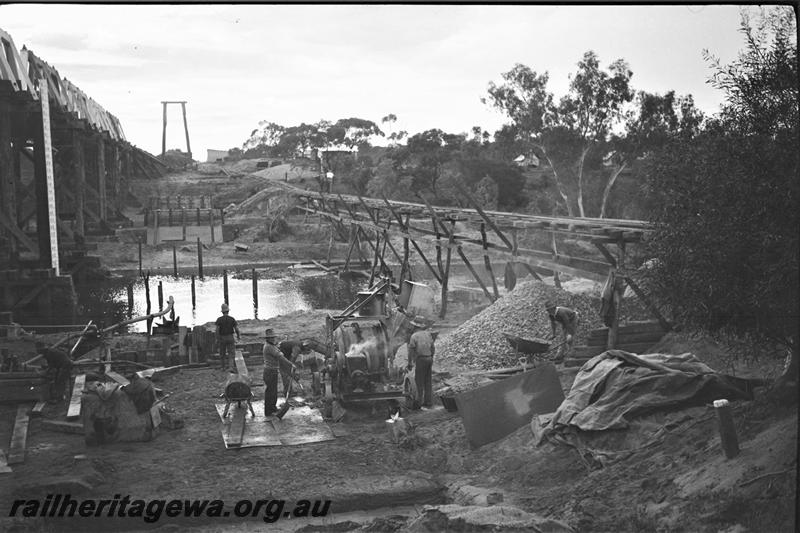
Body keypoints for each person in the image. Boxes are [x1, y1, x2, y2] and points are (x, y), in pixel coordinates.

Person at [262, 328, 300, 416]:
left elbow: (277, 349)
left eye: (273, 337)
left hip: (271, 371)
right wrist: (291, 364)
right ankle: (269, 411)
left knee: (273, 391)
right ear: (267, 339)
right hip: (270, 372)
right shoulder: (269, 347)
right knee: (271, 392)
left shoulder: (271, 345)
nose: (273, 339)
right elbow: (281, 358)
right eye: (271, 338)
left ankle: (272, 408)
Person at [407, 317, 435, 409]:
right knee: (428, 381)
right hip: (429, 358)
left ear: (415, 326)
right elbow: (433, 347)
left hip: (421, 359)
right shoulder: (428, 334)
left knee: (419, 381)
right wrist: (431, 357)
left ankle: (418, 403)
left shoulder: (414, 336)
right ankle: (429, 402)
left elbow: (411, 350)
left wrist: (410, 362)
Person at [215, 303, 240, 371]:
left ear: (222, 312)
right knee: (231, 353)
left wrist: (217, 338)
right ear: (228, 311)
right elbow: (236, 329)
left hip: (222, 338)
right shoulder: (232, 319)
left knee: (222, 353)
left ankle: (223, 367)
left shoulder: (219, 320)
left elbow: (217, 330)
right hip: (230, 337)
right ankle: (231, 367)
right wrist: (238, 336)